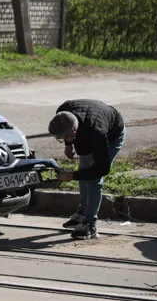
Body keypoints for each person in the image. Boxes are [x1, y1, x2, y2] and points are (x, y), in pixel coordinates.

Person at [48, 99, 126, 240]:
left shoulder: (97, 133)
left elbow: (101, 169)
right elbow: (66, 124)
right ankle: (83, 212)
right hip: (88, 127)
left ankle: (90, 224)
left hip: (112, 133)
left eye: (64, 138)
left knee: (93, 180)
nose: (61, 140)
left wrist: (72, 176)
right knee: (83, 171)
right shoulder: (63, 111)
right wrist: (68, 145)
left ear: (73, 133)